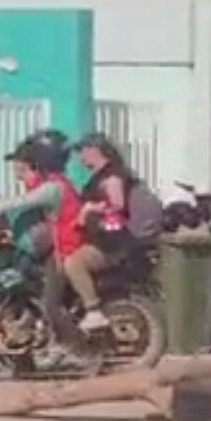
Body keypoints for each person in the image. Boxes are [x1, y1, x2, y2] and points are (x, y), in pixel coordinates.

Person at [0, 131, 87, 346]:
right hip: (62, 246)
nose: (20, 168)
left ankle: (80, 350)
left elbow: (20, 202)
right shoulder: (56, 182)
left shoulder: (52, 187)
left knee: (50, 305)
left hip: (64, 249)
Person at [64, 133, 138, 332]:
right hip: (100, 238)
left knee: (73, 263)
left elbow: (118, 204)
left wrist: (90, 208)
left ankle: (93, 310)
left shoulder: (111, 175)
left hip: (110, 244)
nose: (81, 157)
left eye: (82, 151)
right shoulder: (100, 176)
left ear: (95, 150)